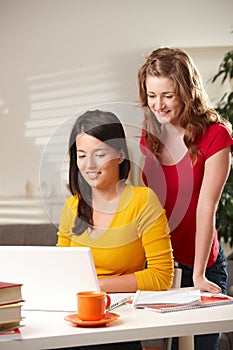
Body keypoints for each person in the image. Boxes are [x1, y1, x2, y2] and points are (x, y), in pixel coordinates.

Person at [137, 46, 233, 350]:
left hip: (200, 264)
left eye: (167, 95)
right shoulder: (149, 134)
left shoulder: (216, 136)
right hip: (160, 265)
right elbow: (146, 204)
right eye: (152, 96)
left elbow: (207, 207)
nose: (158, 105)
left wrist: (200, 275)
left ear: (187, 92)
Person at [56, 109, 174, 350]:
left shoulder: (143, 201)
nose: (89, 165)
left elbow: (161, 277)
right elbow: (61, 272)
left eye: (99, 154)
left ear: (120, 154)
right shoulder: (72, 206)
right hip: (73, 321)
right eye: (81, 155)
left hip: (119, 325)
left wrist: (97, 285)